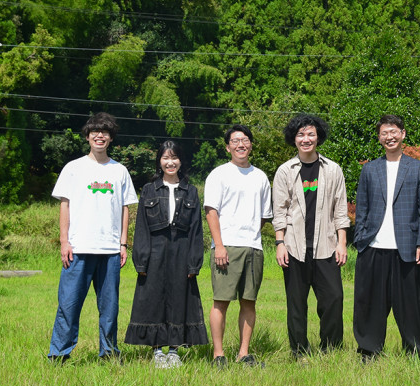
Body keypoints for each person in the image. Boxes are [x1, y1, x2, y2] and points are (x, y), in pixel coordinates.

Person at [47, 112, 138, 362]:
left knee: (109, 308)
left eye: (105, 132)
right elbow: (65, 205)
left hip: (109, 250)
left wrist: (122, 243)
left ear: (111, 138)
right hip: (78, 248)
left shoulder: (119, 170)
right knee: (69, 305)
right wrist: (64, 241)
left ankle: (108, 353)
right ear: (87, 136)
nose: (100, 135)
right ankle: (59, 353)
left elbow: (125, 209)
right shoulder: (73, 168)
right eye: (95, 131)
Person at [352, 114, 420, 359]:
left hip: (407, 248)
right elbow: (362, 206)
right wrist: (360, 238)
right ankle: (369, 350)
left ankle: (416, 351)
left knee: (411, 304)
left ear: (403, 134)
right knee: (370, 303)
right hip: (373, 246)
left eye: (394, 131)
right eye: (384, 133)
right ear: (379, 138)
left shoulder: (417, 167)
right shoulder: (370, 169)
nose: (390, 137)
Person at [272, 114, 350, 358]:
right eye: (300, 135)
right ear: (294, 139)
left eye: (310, 134)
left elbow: (340, 210)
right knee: (296, 304)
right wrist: (280, 242)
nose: (306, 139)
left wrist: (342, 243)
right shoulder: (285, 171)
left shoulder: (333, 169)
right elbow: (280, 210)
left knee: (334, 299)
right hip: (294, 247)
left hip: (326, 246)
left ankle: (331, 349)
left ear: (318, 137)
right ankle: (299, 351)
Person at [125, 140, 208, 367]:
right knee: (153, 298)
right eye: (165, 158)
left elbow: (196, 230)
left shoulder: (190, 191)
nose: (170, 162)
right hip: (155, 250)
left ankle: (174, 349)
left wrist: (194, 262)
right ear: (159, 161)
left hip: (181, 250)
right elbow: (141, 227)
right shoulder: (149, 190)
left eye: (174, 158)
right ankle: (156, 351)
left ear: (181, 161)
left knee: (178, 297)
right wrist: (141, 260)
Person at [204, 124, 272, 368]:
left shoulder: (260, 176)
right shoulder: (219, 174)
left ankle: (244, 353)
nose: (240, 144)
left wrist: (251, 233)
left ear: (251, 145)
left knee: (248, 301)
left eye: (245, 140)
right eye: (235, 141)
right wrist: (219, 245)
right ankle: (218, 355)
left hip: (253, 247)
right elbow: (211, 211)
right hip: (226, 246)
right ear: (227, 147)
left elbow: (265, 214)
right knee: (221, 301)